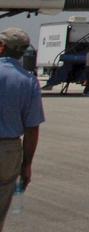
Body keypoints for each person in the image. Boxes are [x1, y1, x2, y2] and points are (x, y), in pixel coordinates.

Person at [0, 27, 45, 226]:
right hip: (8, 152)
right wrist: (26, 164)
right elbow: (32, 128)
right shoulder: (28, 81)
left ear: (1, 47)